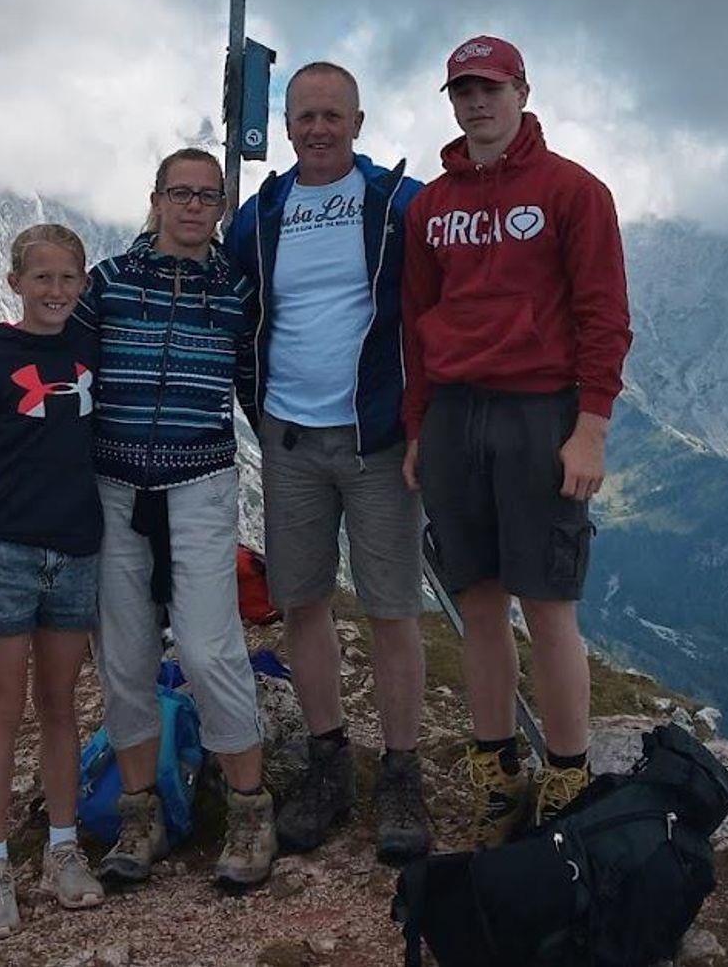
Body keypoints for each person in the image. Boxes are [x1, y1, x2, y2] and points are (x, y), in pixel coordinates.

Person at [400, 35, 633, 846]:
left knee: (550, 605)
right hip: (455, 415)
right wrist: (419, 427)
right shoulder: (431, 207)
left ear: (522, 92)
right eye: (463, 91)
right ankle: (497, 777)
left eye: (491, 88)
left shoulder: (574, 191)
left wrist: (591, 429)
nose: (477, 103)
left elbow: (606, 315)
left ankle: (567, 777)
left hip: (541, 414)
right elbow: (416, 325)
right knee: (478, 605)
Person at [225, 62, 433, 862]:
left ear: (358, 122)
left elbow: (452, 295)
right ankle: (328, 765)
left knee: (391, 608)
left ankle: (402, 775)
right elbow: (226, 297)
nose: (318, 128)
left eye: (332, 115)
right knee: (302, 601)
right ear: (286, 126)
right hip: (289, 439)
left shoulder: (398, 204)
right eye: (305, 116)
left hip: (377, 438)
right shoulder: (262, 214)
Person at [85, 148, 275, 889]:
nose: (194, 207)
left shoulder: (237, 291)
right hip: (114, 485)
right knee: (125, 653)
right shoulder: (107, 282)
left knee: (209, 647)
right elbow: (63, 367)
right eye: (181, 193)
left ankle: (250, 810)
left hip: (201, 483)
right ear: (157, 198)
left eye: (208, 196)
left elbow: (255, 386)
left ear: (222, 208)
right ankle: (140, 815)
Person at [0, 223, 108, 941]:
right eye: (42, 278)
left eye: (68, 278)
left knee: (61, 704)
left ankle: (63, 849)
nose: (55, 291)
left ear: (83, 284)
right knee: (1, 705)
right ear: (15, 284)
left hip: (77, 549)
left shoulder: (92, 345)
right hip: (0, 551)